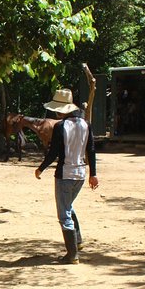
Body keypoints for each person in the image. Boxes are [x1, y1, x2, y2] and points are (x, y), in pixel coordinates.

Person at [35, 88, 99, 264]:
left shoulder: (61, 126)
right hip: (80, 174)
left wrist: (41, 168)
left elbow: (53, 152)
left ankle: (72, 255)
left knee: (64, 214)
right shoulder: (86, 124)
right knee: (68, 206)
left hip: (65, 174)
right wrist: (93, 174)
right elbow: (91, 150)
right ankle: (77, 242)